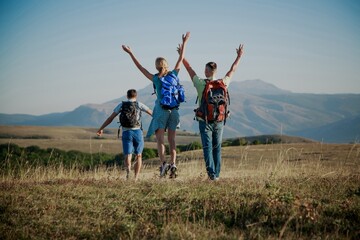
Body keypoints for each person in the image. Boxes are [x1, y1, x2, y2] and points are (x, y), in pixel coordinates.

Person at [122, 32, 190, 178]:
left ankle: (163, 164)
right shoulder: (173, 75)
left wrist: (130, 53)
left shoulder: (155, 79)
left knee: (160, 140)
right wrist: (184, 42)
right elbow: (181, 58)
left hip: (160, 111)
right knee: (172, 140)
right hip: (174, 111)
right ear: (166, 65)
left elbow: (140, 67)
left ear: (157, 66)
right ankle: (173, 164)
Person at [180, 44, 244, 180]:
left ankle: (212, 176)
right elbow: (232, 70)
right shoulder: (224, 83)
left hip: (205, 121)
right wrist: (239, 57)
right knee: (217, 148)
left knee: (207, 148)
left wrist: (182, 55)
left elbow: (189, 69)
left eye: (205, 70)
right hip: (220, 120)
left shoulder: (201, 84)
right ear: (216, 71)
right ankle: (217, 175)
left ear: (207, 71)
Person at [96, 89, 152, 181]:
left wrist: (101, 128)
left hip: (126, 132)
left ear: (127, 96)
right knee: (139, 155)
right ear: (136, 96)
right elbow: (151, 113)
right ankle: (136, 178)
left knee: (128, 155)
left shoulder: (121, 105)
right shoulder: (139, 104)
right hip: (137, 132)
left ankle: (128, 173)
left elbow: (110, 118)